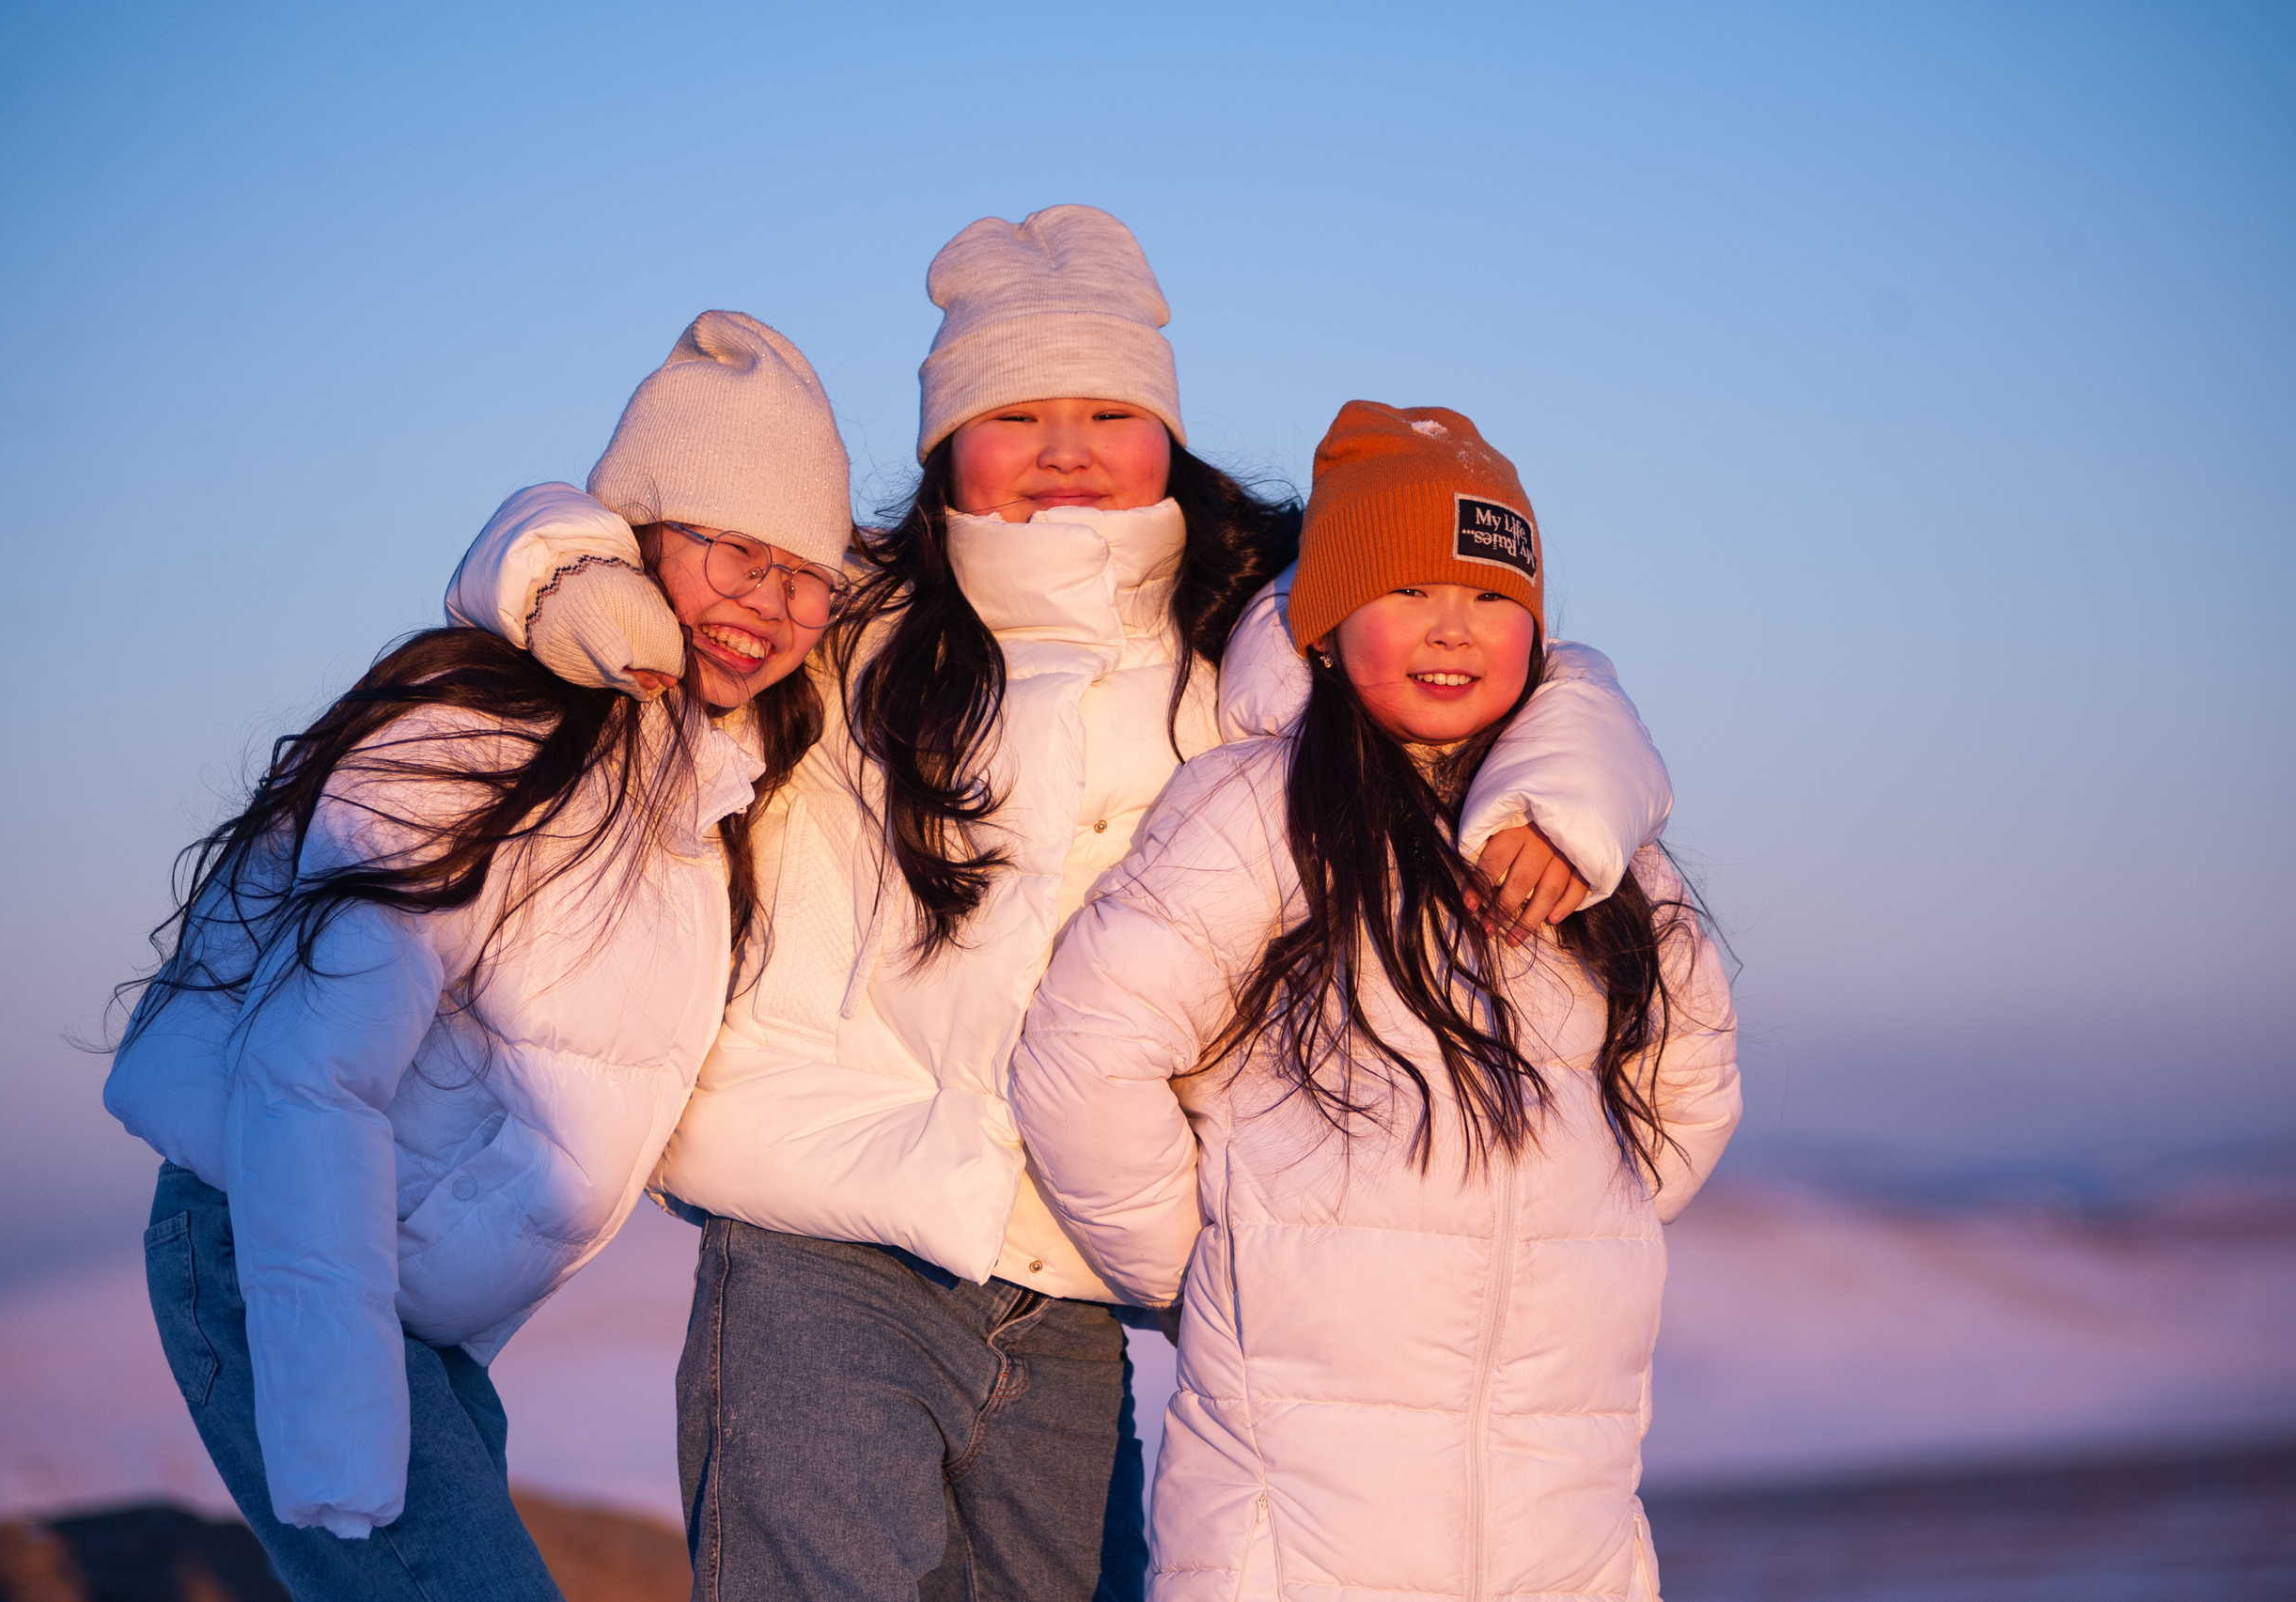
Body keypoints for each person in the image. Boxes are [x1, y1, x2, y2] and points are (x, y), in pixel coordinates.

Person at [444, 207, 1675, 1599]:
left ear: (1171, 433)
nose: (1069, 448)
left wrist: (1575, 789)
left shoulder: (1251, 643)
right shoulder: (850, 625)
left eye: (1108, 410)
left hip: (1078, 1284)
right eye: (1016, 412)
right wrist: (566, 579)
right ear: (944, 445)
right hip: (822, 1239)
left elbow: (1510, 666)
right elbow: (609, 529)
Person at [102, 311, 850, 1600]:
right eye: (733, 547)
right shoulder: (488, 732)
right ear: (645, 534)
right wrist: (343, 1421)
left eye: (804, 570)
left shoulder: (690, 780)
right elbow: (311, 1071)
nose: (768, 604)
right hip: (279, 1245)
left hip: (405, 1303)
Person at [1010, 401, 1743, 1602]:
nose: (1450, 629)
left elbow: (1689, 1078)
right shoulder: (1256, 811)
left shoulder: (1602, 857)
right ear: (1329, 621)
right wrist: (1209, 1264)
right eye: (1405, 592)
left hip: (1559, 1525)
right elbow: (1085, 1059)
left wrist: (1578, 1207)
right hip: (1297, 1535)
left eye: (1491, 597)